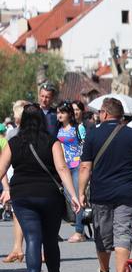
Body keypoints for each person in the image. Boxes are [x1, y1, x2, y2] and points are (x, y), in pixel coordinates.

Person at [0, 104, 81, 272]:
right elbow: (62, 169)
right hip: (49, 196)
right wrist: (73, 195)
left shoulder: (14, 142)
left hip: (22, 196)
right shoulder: (52, 141)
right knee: (50, 239)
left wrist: (7, 189)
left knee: (32, 238)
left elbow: (1, 169)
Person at [78, 98, 132, 272]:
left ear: (105, 113)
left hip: (101, 194)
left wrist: (81, 192)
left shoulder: (92, 135)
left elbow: (85, 167)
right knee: (124, 233)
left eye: (100, 112)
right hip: (126, 193)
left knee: (103, 234)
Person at [2, 100, 29, 263]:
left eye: (15, 113)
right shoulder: (12, 133)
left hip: (22, 176)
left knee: (24, 213)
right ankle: (17, 248)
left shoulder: (16, 134)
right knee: (17, 212)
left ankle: (34, 249)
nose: (14, 117)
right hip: (15, 175)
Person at [56, 102, 87, 242]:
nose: (59, 115)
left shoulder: (78, 128)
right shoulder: (57, 129)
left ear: (69, 114)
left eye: (62, 112)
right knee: (64, 197)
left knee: (78, 197)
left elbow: (85, 146)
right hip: (62, 166)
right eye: (58, 112)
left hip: (77, 166)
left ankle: (79, 231)